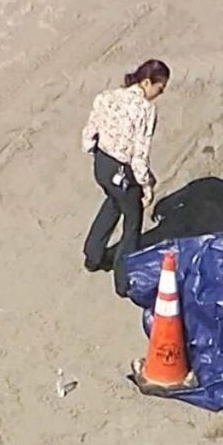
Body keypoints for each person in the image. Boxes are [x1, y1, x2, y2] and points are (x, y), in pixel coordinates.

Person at [80, 59, 169, 296]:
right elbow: (139, 156)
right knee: (133, 219)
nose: (158, 95)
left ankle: (93, 255)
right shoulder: (145, 110)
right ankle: (124, 279)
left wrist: (95, 153)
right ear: (147, 82)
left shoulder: (107, 97)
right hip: (123, 171)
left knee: (113, 201)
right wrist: (147, 186)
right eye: (159, 89)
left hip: (102, 164)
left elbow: (89, 134)